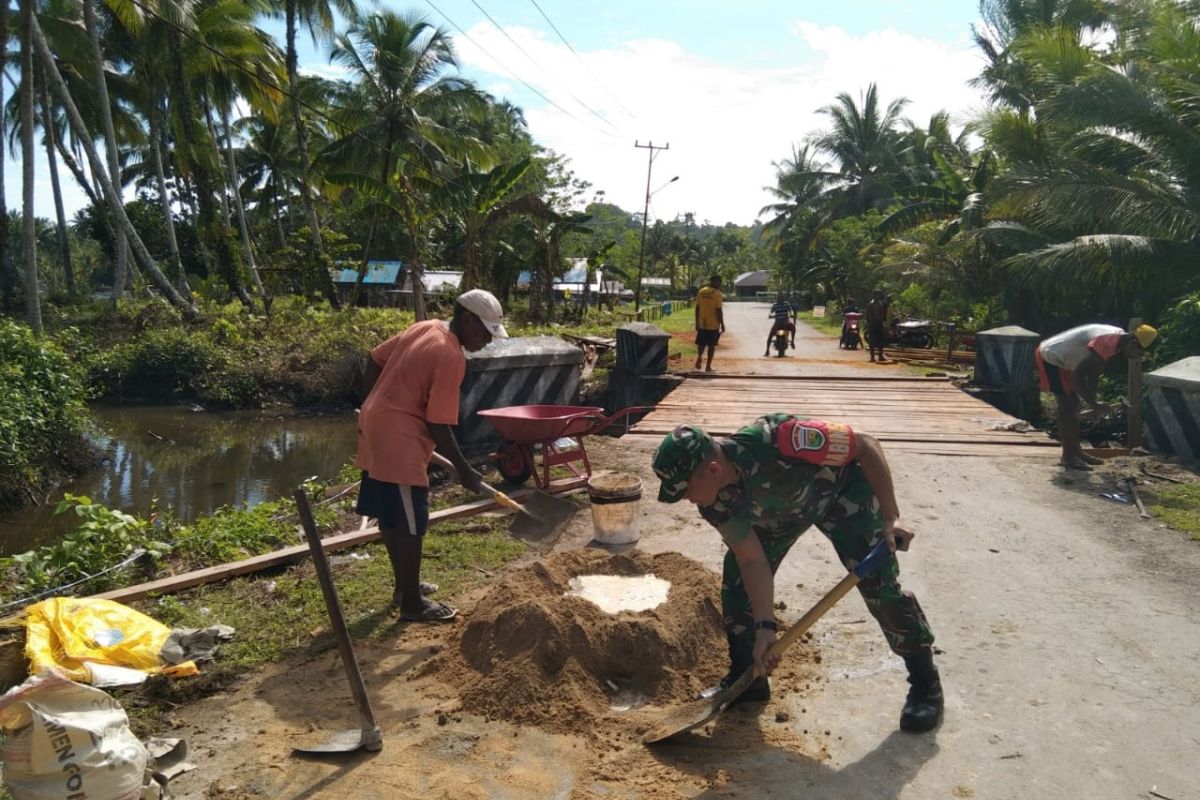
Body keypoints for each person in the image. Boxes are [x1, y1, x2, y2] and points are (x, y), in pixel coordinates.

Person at [652, 416, 942, 733]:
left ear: (713, 469)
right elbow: (751, 560)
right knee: (737, 580)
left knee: (879, 586)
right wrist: (765, 628)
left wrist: (892, 517)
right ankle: (747, 678)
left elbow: (865, 444)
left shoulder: (782, 439)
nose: (686, 498)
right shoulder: (714, 502)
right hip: (778, 518)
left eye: (685, 489)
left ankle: (925, 684)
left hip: (841, 494)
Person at [355, 289, 507, 621]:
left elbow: (374, 358)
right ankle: (412, 603)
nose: (487, 341)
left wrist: (371, 406)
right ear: (467, 318)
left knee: (391, 512)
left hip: (376, 424)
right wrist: (465, 470)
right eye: (484, 332)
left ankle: (403, 587)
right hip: (398, 436)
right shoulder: (451, 355)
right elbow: (438, 422)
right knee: (411, 521)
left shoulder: (425, 327)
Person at [1036, 323, 1158, 470]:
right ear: (1133, 343)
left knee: (1073, 406)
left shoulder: (1115, 344)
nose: (1137, 357)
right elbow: (1078, 375)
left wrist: (1093, 403)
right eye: (1139, 353)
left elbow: (1093, 376)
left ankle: (1077, 453)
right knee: (1067, 407)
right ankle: (1068, 457)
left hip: (1066, 362)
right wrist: (1094, 404)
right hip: (1051, 357)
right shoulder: (1107, 341)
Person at [695, 276, 725, 372]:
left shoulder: (701, 291)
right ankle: (708, 366)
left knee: (701, 343)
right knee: (711, 345)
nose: (720, 284)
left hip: (702, 323)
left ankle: (699, 356)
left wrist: (696, 322)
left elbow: (697, 308)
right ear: (716, 282)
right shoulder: (717, 294)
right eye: (719, 282)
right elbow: (718, 310)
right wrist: (722, 324)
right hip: (713, 324)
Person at [865, 290, 889, 363]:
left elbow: (884, 314)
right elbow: (867, 316)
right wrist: (869, 324)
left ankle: (880, 356)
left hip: (879, 323)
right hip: (872, 324)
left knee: (881, 340)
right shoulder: (871, 304)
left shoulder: (882, 304)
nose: (879, 297)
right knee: (872, 341)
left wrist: (884, 322)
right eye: (877, 295)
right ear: (874, 296)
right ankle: (872, 357)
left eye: (880, 295)